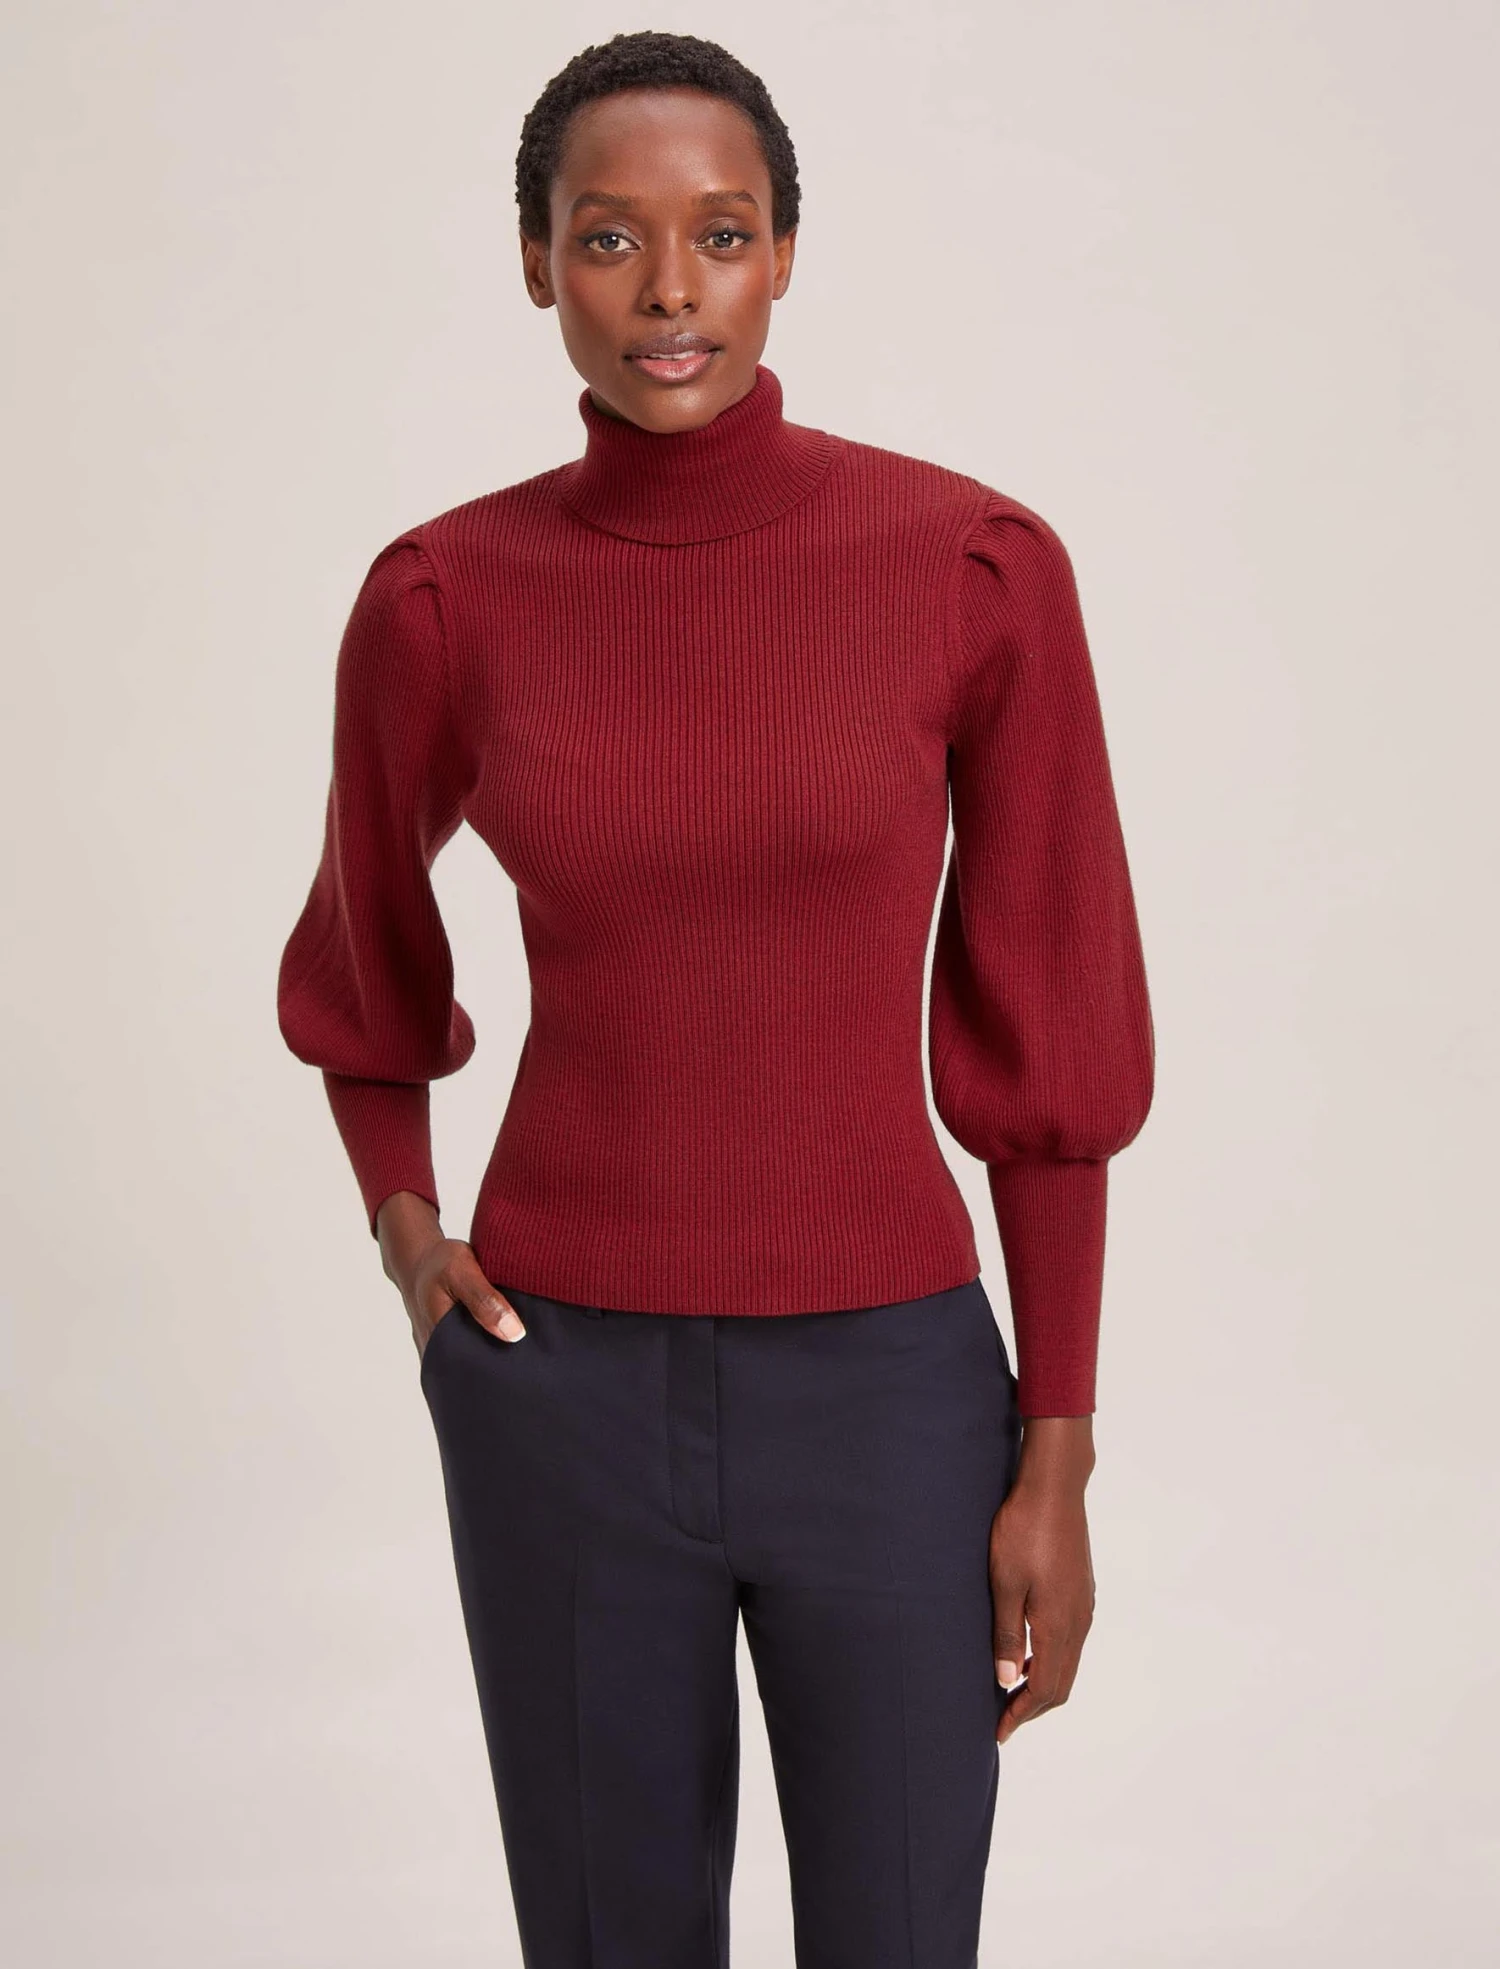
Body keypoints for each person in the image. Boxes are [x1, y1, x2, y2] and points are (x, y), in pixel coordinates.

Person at [276, 28, 1155, 1969]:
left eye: (723, 234)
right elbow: (360, 964)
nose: (669, 291)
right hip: (560, 1396)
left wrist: (1059, 1445)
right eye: (608, 239)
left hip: (896, 1399)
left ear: (785, 257)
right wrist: (410, 1238)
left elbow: (1051, 1027)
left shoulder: (972, 569)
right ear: (537, 264)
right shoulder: (444, 598)